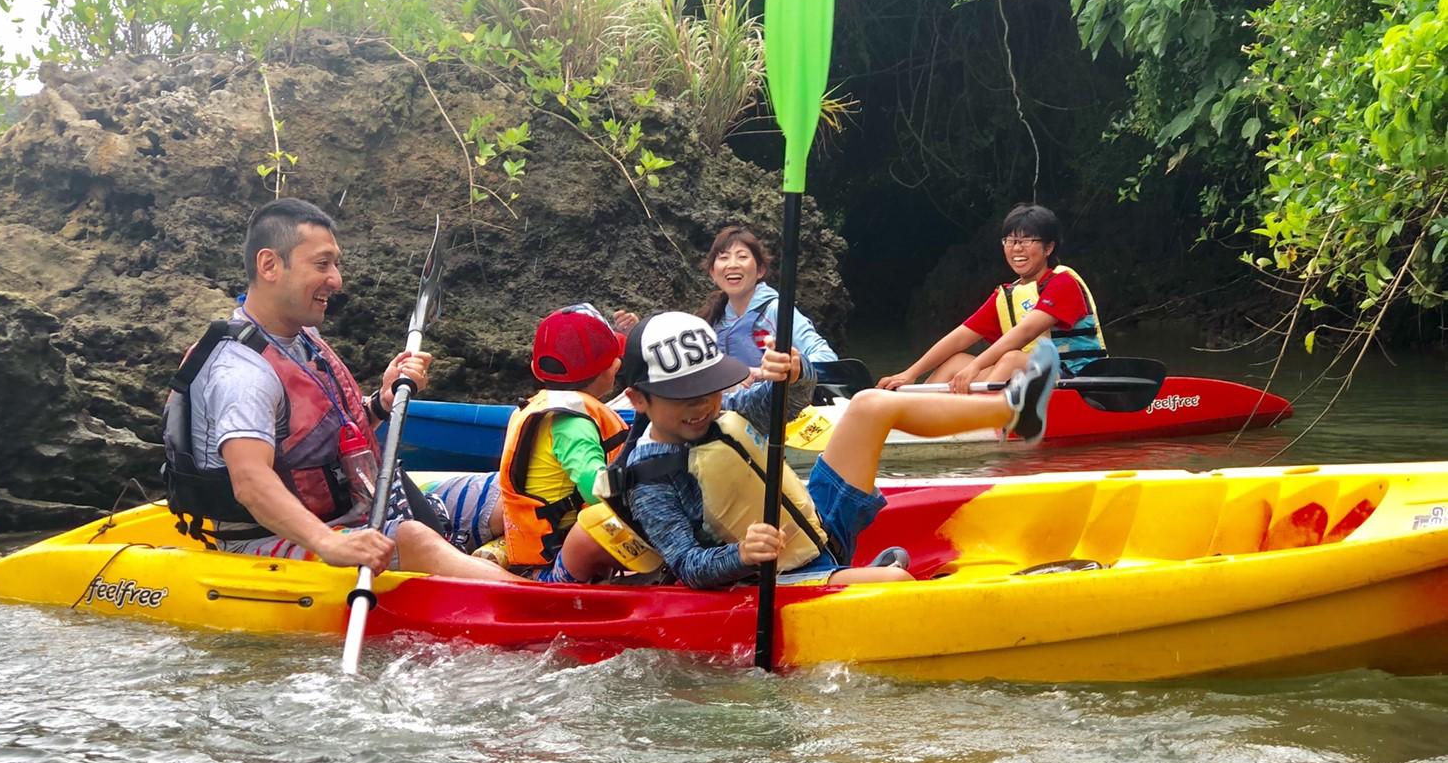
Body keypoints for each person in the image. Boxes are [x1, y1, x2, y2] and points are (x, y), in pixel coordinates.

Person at [161, 197, 519, 582]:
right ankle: (544, 606)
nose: (336, 280)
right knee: (414, 538)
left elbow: (328, 441)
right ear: (269, 265)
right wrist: (330, 544)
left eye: (336, 263)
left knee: (516, 488)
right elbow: (251, 482)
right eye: (321, 264)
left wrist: (381, 403)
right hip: (270, 541)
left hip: (354, 509)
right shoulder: (241, 372)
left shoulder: (302, 339)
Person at [604, 311, 1058, 589]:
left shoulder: (732, 411)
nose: (701, 406)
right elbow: (688, 566)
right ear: (639, 399)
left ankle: (1011, 410)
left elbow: (797, 398)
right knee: (894, 581)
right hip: (772, 576)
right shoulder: (650, 478)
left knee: (870, 404)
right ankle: (861, 574)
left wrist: (795, 372)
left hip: (819, 523)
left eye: (708, 390)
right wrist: (741, 555)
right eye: (684, 398)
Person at [877, 204, 1107, 394]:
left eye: (1027, 241)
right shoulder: (1007, 294)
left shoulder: (1063, 283)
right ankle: (917, 412)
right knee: (957, 361)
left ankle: (977, 419)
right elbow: (960, 337)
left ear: (1048, 248)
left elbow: (1025, 332)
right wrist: (910, 373)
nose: (1017, 248)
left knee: (1011, 359)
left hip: (1076, 380)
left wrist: (976, 366)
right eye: (1010, 240)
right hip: (1034, 378)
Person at [488, 304, 630, 582]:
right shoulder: (573, 423)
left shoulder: (539, 407)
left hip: (534, 544)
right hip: (554, 555)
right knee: (611, 513)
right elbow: (595, 489)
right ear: (612, 369)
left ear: (536, 369)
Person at [697, 225, 838, 378]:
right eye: (724, 258)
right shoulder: (712, 322)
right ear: (712, 272)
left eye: (742, 257)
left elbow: (828, 359)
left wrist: (782, 369)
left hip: (772, 399)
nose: (732, 265)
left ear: (760, 270)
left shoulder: (776, 310)